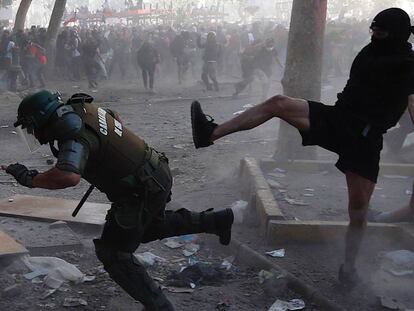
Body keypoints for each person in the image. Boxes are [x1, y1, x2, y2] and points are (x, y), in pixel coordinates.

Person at [191, 8, 414, 287]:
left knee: (358, 212)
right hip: (339, 118)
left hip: (365, 139)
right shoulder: (370, 52)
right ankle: (209, 134)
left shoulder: (408, 65)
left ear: (396, 34)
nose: (374, 36)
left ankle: (348, 270)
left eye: (380, 32)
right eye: (372, 30)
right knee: (277, 103)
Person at [2, 90, 234, 311]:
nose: (33, 133)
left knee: (113, 253)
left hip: (141, 188)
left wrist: (31, 179)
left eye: (31, 127)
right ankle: (217, 221)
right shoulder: (80, 107)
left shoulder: (71, 131)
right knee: (146, 228)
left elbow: (68, 175)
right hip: (154, 173)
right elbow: (115, 118)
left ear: (41, 118)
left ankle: (159, 306)